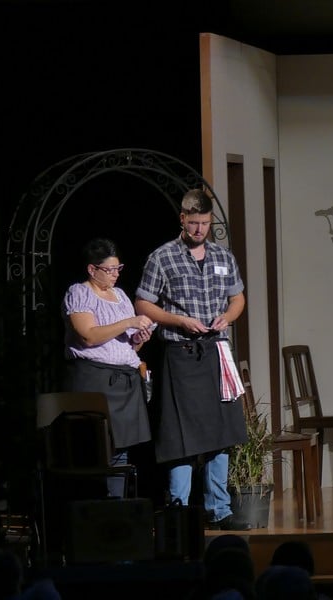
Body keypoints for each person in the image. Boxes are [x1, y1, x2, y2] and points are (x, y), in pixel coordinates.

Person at [135, 188, 249, 531]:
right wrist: (179, 320)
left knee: (221, 434)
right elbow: (143, 303)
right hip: (181, 355)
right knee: (180, 437)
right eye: (193, 223)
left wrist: (228, 316)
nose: (199, 229)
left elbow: (238, 298)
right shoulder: (162, 257)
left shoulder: (223, 256)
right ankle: (179, 511)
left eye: (205, 223)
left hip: (216, 352)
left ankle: (219, 509)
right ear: (182, 219)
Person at [62, 237, 155, 496]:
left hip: (124, 379)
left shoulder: (121, 295)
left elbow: (128, 346)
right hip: (95, 380)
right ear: (92, 269)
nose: (115, 274)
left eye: (118, 268)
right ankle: (95, 504)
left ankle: (117, 505)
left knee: (121, 448)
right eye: (109, 269)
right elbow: (89, 336)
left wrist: (139, 338)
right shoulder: (79, 293)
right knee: (96, 445)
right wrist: (128, 323)